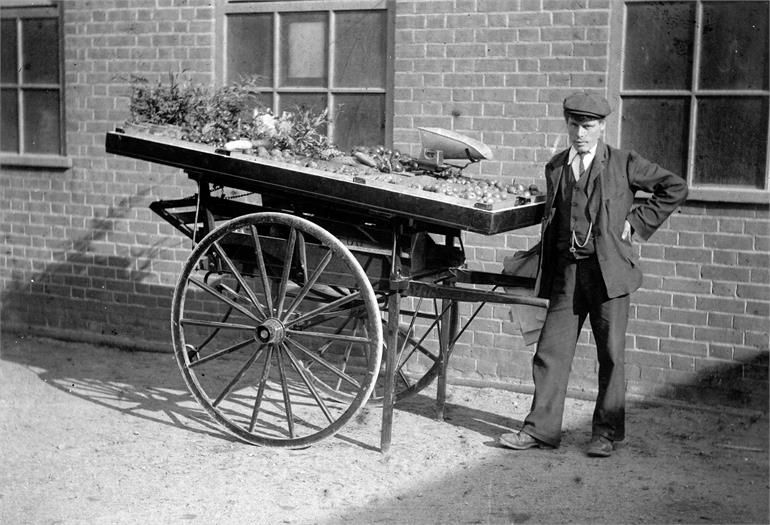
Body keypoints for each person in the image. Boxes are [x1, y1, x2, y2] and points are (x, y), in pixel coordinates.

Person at [499, 92, 688, 457]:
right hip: (568, 275)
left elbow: (675, 187)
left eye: (587, 126)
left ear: (601, 127)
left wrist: (637, 223)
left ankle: (606, 434)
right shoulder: (556, 167)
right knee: (549, 351)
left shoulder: (623, 163)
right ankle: (540, 430)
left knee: (611, 355)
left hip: (609, 276)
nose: (580, 133)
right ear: (567, 124)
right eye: (574, 125)